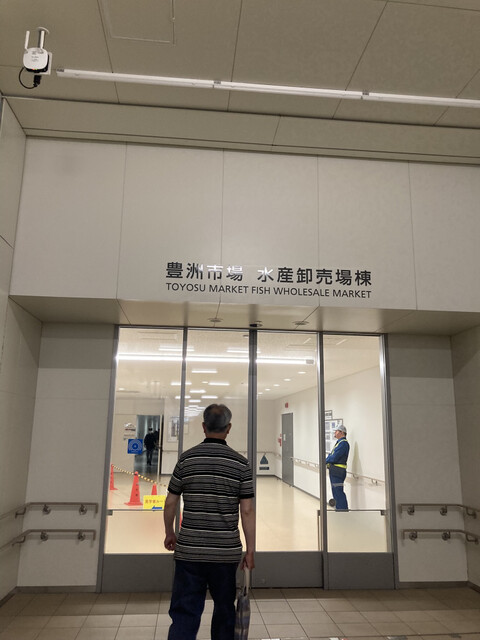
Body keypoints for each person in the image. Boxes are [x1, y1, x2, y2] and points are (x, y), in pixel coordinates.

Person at [163, 404, 255, 640]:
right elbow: (247, 511)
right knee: (224, 610)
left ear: (204, 427)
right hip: (225, 553)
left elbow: (171, 502)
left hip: (189, 551)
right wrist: (250, 550)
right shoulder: (241, 464)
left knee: (185, 612)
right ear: (228, 428)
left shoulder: (186, 459)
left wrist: (169, 533)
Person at [325, 424, 350, 511]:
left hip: (338, 472)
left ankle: (343, 511)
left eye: (336, 431)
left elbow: (334, 457)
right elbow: (331, 455)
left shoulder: (343, 444)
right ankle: (339, 510)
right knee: (336, 492)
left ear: (342, 432)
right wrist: (327, 459)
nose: (334, 433)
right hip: (335, 471)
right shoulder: (339, 443)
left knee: (338, 493)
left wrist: (325, 461)